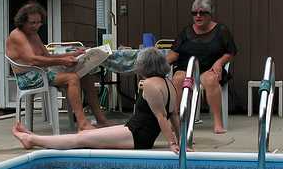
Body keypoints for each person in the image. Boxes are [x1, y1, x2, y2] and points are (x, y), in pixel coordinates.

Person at [13, 47, 181, 153]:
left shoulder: (150, 84)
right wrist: (181, 141)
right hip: (137, 133)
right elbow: (173, 116)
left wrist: (172, 144)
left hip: (136, 135)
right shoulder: (169, 83)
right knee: (87, 134)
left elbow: (161, 117)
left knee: (81, 139)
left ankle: (32, 139)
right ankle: (31, 136)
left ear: (144, 66)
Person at [6, 1, 111, 131]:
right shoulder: (17, 35)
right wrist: (63, 62)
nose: (36, 26)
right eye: (32, 23)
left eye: (38, 22)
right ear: (23, 21)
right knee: (72, 78)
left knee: (86, 77)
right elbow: (33, 60)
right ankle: (82, 123)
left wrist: (74, 54)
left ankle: (101, 120)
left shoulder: (33, 34)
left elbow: (48, 56)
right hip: (28, 76)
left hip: (42, 71)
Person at [167, 0, 237, 134]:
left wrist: (219, 62)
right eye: (194, 13)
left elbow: (231, 52)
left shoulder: (221, 30)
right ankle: (177, 120)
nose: (198, 16)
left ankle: (218, 122)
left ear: (210, 13)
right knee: (178, 78)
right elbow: (174, 53)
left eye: (202, 12)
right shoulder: (186, 31)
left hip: (210, 68)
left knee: (210, 80)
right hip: (186, 68)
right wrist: (158, 64)